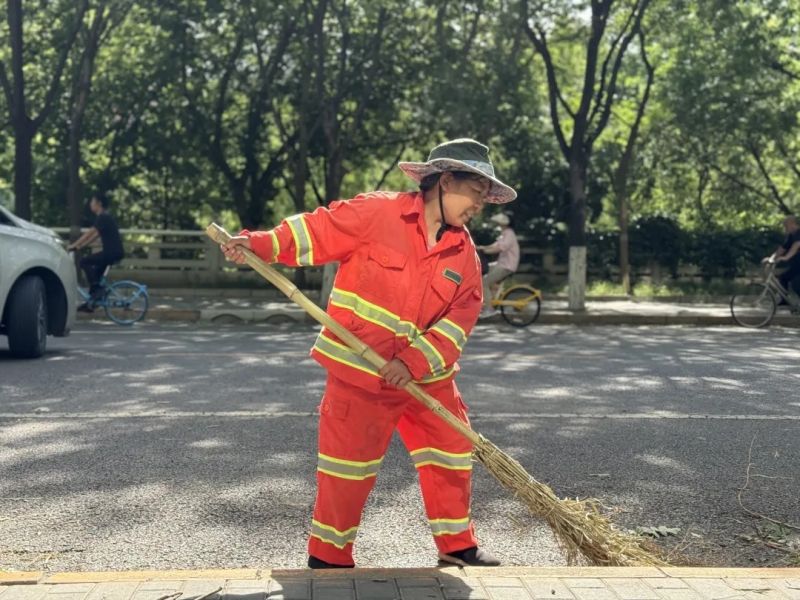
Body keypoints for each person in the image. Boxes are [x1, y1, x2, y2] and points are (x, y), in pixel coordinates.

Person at [220, 138, 517, 569]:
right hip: (359, 374)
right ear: (445, 180)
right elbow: (314, 232)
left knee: (451, 454)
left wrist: (413, 363)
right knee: (345, 470)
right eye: (476, 192)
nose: (479, 206)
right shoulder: (377, 213)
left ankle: (458, 546)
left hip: (426, 379)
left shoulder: (465, 254)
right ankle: (329, 557)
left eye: (485, 199)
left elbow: (461, 318)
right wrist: (257, 245)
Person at [67, 194, 125, 311]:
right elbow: (95, 236)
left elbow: (89, 233)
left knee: (84, 262)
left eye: (92, 202)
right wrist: (80, 247)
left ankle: (98, 291)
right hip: (114, 252)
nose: (90, 204)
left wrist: (73, 245)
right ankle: (91, 303)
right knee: (96, 277)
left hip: (111, 253)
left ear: (99, 204)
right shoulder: (104, 217)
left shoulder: (103, 217)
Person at [476, 212, 520, 317]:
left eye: (500, 223)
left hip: (506, 266)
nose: (499, 225)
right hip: (502, 264)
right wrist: (483, 247)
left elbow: (501, 247)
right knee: (481, 270)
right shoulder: (505, 233)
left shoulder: (509, 234)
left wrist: (487, 251)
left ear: (505, 223)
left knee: (484, 283)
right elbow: (496, 245)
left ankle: (489, 309)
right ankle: (490, 297)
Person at [763, 215, 800, 304]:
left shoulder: (799, 232)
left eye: (786, 226)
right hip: (797, 264)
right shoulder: (791, 236)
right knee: (783, 278)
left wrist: (786, 257)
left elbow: (797, 245)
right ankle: (784, 301)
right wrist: (771, 259)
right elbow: (782, 249)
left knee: (796, 284)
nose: (785, 229)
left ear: (792, 224)